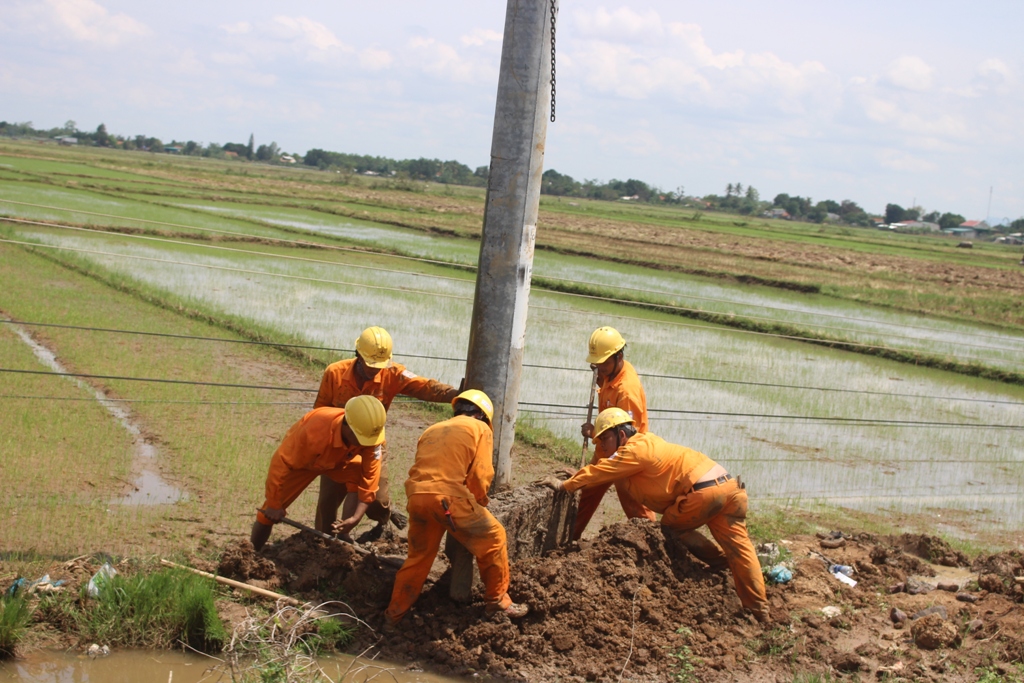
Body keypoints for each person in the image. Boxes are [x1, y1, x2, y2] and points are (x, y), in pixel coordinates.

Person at [543, 407, 769, 623]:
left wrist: (565, 485)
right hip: (729, 487)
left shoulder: (634, 451)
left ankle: (718, 561)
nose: (602, 446)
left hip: (702, 493)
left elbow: (603, 469)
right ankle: (759, 608)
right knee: (741, 550)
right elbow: (605, 468)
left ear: (621, 434)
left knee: (670, 530)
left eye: (604, 439)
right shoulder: (646, 442)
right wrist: (581, 475)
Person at [384, 389, 528, 627]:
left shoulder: (433, 429)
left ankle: (393, 616)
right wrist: (480, 501)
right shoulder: (479, 429)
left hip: (417, 498)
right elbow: (480, 476)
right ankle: (497, 601)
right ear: (482, 415)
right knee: (494, 537)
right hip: (448, 500)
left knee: (418, 558)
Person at [313, 326, 460, 540]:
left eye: (379, 365)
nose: (375, 370)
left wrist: (455, 395)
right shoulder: (334, 373)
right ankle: (321, 541)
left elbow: (424, 386)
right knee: (328, 501)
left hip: (372, 442)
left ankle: (383, 520)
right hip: (338, 443)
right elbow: (320, 412)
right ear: (358, 355)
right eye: (371, 364)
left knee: (377, 499)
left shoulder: (393, 374)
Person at [250, 395, 387, 552]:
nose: (366, 444)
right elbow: (281, 463)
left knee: (358, 474)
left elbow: (370, 479)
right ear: (347, 425)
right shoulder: (314, 429)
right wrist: (274, 504)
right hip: (304, 464)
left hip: (339, 462)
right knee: (267, 514)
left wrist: (355, 518)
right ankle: (252, 553)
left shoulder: (372, 437)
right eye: (361, 439)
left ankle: (343, 534)